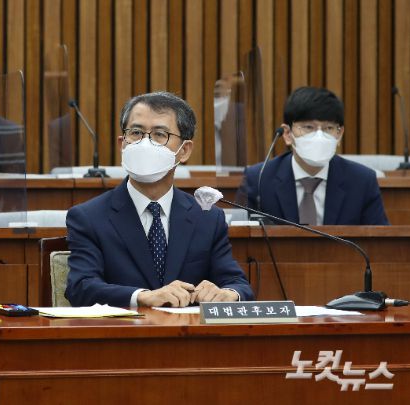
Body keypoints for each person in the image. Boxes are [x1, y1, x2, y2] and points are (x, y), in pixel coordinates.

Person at [65, 91, 254, 307]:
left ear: (184, 151)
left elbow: (237, 284)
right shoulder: (89, 217)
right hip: (124, 327)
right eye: (136, 132)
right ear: (122, 144)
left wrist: (228, 294)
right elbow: (81, 287)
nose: (145, 143)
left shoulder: (207, 217)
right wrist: (143, 297)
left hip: (187, 328)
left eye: (159, 134)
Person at [237, 86, 389, 225]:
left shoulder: (362, 181)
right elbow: (241, 238)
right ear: (287, 134)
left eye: (328, 128)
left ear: (339, 134)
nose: (319, 137)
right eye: (308, 127)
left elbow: (378, 241)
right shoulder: (258, 179)